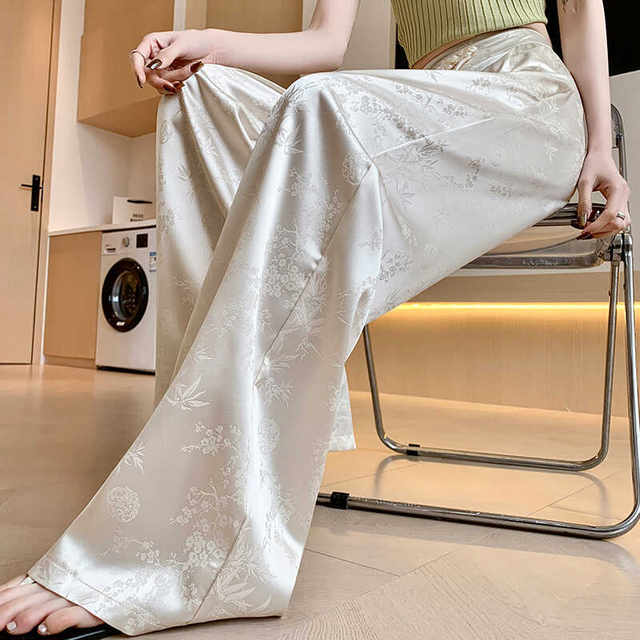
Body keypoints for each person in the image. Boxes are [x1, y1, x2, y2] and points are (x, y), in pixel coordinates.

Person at [0, 0, 630, 637]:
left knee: (320, 106)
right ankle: (230, 470)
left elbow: (580, 7)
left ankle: (183, 550)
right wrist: (201, 40)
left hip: (525, 100)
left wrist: (601, 149)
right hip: (427, 104)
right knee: (201, 98)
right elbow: (323, 45)